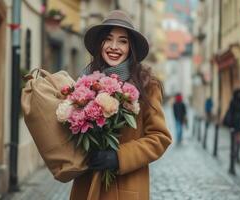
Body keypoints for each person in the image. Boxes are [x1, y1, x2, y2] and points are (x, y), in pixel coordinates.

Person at [70, 10, 172, 200]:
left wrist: (119, 157)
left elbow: (160, 138)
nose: (114, 47)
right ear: (100, 43)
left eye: (123, 41)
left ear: (130, 47)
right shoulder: (86, 81)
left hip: (124, 188)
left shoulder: (147, 85)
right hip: (87, 186)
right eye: (108, 39)